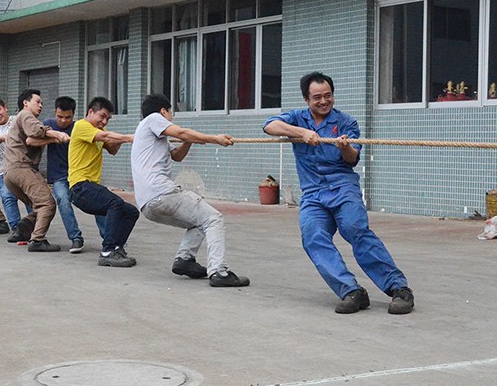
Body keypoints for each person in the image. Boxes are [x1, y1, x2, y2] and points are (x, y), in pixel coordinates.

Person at [263, 71, 414, 314]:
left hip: (343, 188)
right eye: (317, 98)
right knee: (312, 236)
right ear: (306, 99)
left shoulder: (346, 122)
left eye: (328, 96)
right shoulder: (297, 118)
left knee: (355, 230)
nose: (323, 101)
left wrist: (344, 148)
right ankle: (351, 291)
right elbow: (269, 125)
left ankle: (399, 289)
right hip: (313, 194)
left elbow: (352, 158)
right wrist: (301, 133)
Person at [131, 93, 250, 288]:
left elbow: (177, 156)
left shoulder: (151, 134)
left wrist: (189, 140)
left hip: (147, 204)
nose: (171, 117)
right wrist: (215, 139)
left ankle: (184, 260)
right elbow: (182, 132)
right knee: (213, 218)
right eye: (171, 113)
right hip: (162, 194)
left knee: (199, 222)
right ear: (163, 111)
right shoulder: (153, 119)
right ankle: (219, 272)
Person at [69, 96, 138, 267]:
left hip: (91, 187)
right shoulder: (81, 126)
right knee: (115, 204)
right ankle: (107, 252)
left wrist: (119, 139)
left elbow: (112, 149)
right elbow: (106, 136)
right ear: (90, 112)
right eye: (102, 116)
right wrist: (130, 137)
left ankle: (117, 248)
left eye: (108, 119)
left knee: (131, 212)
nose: (104, 121)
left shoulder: (99, 131)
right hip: (80, 187)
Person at [3, 88, 71, 252]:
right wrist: (57, 134)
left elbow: (30, 140)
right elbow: (35, 131)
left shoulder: (20, 119)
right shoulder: (26, 115)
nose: (40, 105)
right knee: (47, 204)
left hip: (10, 174)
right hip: (22, 169)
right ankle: (37, 240)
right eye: (37, 102)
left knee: (38, 206)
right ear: (26, 103)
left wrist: (51, 139)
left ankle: (22, 230)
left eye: (41, 103)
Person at [43, 96, 107, 254]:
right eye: (60, 116)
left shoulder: (80, 127)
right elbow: (31, 140)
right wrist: (54, 137)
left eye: (68, 117)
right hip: (59, 177)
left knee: (99, 203)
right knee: (63, 200)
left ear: (73, 115)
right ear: (55, 112)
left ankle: (109, 239)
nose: (63, 121)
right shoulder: (48, 125)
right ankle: (75, 237)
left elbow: (103, 142)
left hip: (80, 176)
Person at [0, 97, 32, 238]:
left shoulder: (17, 120)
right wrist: (2, 138)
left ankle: (35, 226)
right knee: (7, 197)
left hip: (23, 167)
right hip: (3, 170)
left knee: (29, 197)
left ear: (5, 108)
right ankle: (17, 229)